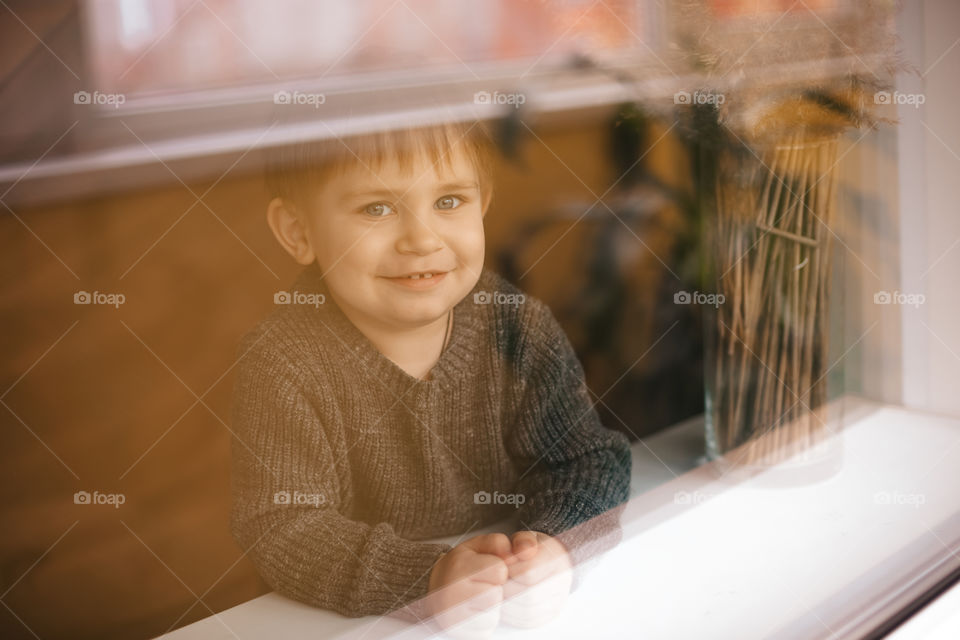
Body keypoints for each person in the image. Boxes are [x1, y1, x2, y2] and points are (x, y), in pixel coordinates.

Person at [229, 119, 631, 635]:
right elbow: (281, 526)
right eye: (377, 208)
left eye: (448, 202)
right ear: (298, 232)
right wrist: (429, 577)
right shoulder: (283, 360)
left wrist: (559, 547)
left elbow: (588, 458)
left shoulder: (516, 326)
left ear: (482, 204)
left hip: (508, 610)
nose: (421, 239)